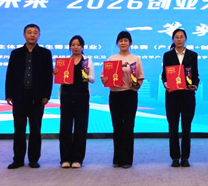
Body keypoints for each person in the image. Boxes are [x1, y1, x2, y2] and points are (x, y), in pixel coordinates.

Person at [5, 24, 53, 169]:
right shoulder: (16, 53)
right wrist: (9, 94)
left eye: (35, 32)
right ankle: (18, 159)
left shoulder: (45, 53)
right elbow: (10, 74)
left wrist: (46, 95)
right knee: (19, 129)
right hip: (19, 96)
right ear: (24, 35)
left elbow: (48, 77)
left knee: (35, 129)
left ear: (39, 35)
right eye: (29, 32)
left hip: (37, 97)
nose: (32, 35)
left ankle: (33, 159)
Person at [101, 31, 144, 169]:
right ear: (117, 43)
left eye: (126, 40)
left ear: (130, 43)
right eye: (121, 40)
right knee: (117, 126)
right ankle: (117, 158)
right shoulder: (112, 59)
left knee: (129, 127)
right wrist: (105, 79)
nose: (123, 43)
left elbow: (140, 78)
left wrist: (136, 85)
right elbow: (103, 77)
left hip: (130, 95)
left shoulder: (135, 58)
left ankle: (127, 159)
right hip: (115, 95)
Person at [161, 29, 199, 168]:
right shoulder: (167, 55)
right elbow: (164, 75)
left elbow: (195, 75)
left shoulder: (192, 55)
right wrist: (166, 84)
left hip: (188, 95)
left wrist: (195, 85)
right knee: (173, 127)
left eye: (181, 37)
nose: (179, 39)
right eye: (176, 37)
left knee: (186, 127)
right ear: (173, 39)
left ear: (185, 39)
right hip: (172, 95)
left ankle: (185, 157)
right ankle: (175, 157)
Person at [56, 35, 94, 169]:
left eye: (78, 45)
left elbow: (92, 79)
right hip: (66, 96)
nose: (76, 47)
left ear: (82, 47)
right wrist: (56, 73)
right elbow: (60, 81)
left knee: (80, 128)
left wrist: (87, 75)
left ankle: (78, 159)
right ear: (70, 47)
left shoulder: (87, 61)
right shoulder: (64, 62)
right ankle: (65, 158)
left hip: (82, 97)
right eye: (73, 45)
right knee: (65, 128)